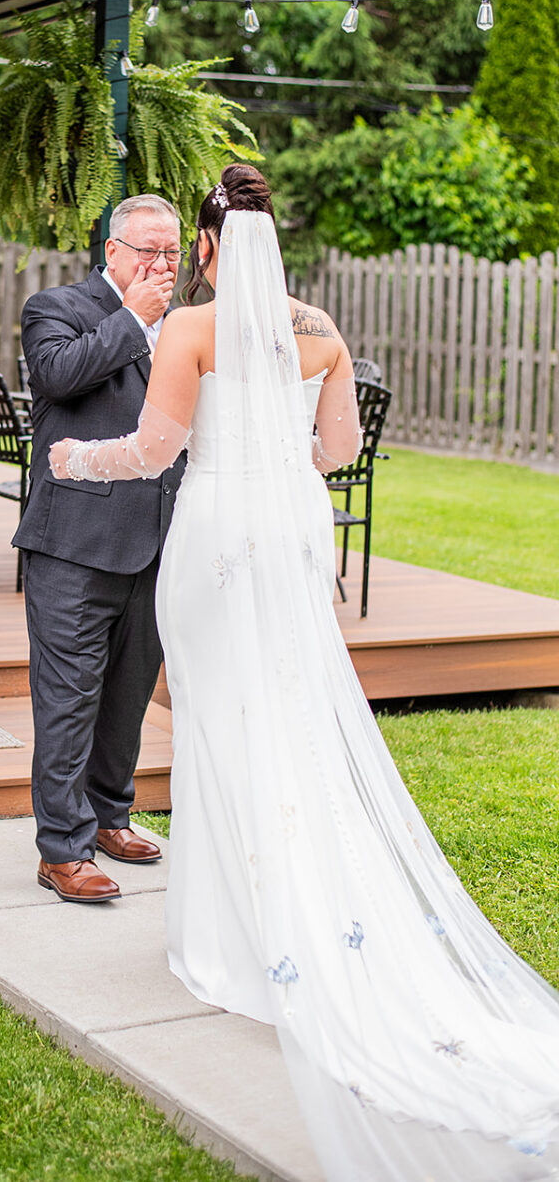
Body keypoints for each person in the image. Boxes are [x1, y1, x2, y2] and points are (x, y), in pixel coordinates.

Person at [49, 164, 559, 1182]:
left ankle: (230, 945)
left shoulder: (191, 329)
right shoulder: (319, 332)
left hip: (213, 540)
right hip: (289, 538)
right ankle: (296, 918)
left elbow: (153, 452)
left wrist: (72, 461)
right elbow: (335, 450)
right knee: (286, 719)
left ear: (205, 246)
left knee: (219, 726)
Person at [14, 194, 186, 904]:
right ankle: (61, 849)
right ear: (111, 251)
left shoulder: (185, 327)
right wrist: (136, 318)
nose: (162, 264)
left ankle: (110, 816)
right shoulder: (55, 307)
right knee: (68, 699)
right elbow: (58, 377)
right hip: (75, 545)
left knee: (127, 697)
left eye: (172, 252)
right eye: (148, 249)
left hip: (158, 544)